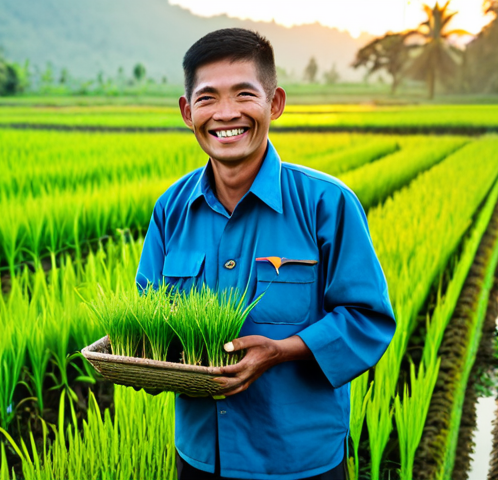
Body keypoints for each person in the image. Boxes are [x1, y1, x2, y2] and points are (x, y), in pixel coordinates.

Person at [134, 28, 396, 480]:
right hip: (201, 456)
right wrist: (148, 359)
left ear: (274, 103)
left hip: (299, 458)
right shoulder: (171, 209)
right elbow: (148, 316)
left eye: (244, 94)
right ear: (187, 111)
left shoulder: (326, 204)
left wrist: (280, 350)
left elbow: (367, 319)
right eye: (207, 98)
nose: (226, 114)